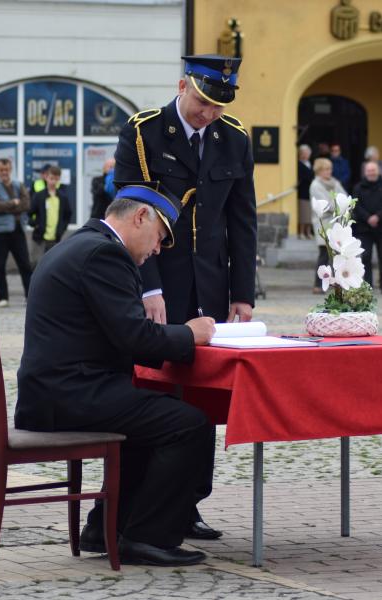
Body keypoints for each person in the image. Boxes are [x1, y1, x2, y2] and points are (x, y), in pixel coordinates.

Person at [15, 183, 216, 567]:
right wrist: (189, 333)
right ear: (140, 217)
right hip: (71, 396)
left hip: (55, 392)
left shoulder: (80, 244)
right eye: (158, 238)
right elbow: (135, 337)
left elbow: (120, 334)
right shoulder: (106, 254)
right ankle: (146, 537)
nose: (157, 249)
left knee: (153, 418)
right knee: (190, 424)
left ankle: (103, 526)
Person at [114, 53, 257, 541]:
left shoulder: (234, 137)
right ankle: (142, 504)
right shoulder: (144, 131)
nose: (208, 114)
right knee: (154, 390)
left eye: (218, 106)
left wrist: (243, 295)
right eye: (202, 102)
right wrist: (148, 285)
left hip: (212, 286)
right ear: (182, 86)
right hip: (161, 282)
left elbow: (242, 218)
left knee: (200, 396)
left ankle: (188, 502)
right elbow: (129, 213)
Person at [0, 158, 32, 307]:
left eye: (7, 170)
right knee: (0, 265)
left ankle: (29, 295)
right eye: (1, 170)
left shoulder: (18, 185)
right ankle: (3, 298)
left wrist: (5, 205)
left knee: (25, 264)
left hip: (17, 231)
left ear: (10, 169)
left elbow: (26, 204)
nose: (4, 172)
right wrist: (13, 203)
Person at [352, 161, 382, 294]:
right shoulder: (358, 188)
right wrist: (368, 218)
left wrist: (378, 217)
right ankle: (368, 285)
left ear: (379, 171)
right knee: (366, 257)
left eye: (373, 170)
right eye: (369, 170)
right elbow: (356, 206)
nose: (371, 172)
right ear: (365, 172)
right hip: (364, 229)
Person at [309, 157, 346, 293]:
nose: (328, 172)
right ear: (319, 170)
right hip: (323, 223)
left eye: (329, 169)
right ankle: (318, 284)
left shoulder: (335, 183)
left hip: (336, 223)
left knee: (336, 255)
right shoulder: (315, 185)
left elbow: (344, 197)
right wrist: (337, 203)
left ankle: (335, 282)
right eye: (325, 169)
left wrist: (338, 203)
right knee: (324, 254)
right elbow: (325, 204)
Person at [28, 165, 71, 262]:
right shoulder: (39, 196)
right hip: (39, 237)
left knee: (52, 264)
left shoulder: (62, 197)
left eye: (56, 179)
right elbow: (30, 212)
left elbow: (68, 214)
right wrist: (35, 224)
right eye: (51, 178)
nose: (53, 182)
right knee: (36, 263)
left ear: (59, 179)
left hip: (55, 237)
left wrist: (62, 228)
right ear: (46, 177)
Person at [297, 144, 315, 239]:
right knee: (303, 214)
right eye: (305, 153)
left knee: (309, 215)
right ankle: (301, 233)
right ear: (301, 153)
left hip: (311, 192)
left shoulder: (309, 163)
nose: (307, 155)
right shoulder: (298, 164)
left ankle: (308, 232)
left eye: (308, 153)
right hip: (303, 191)